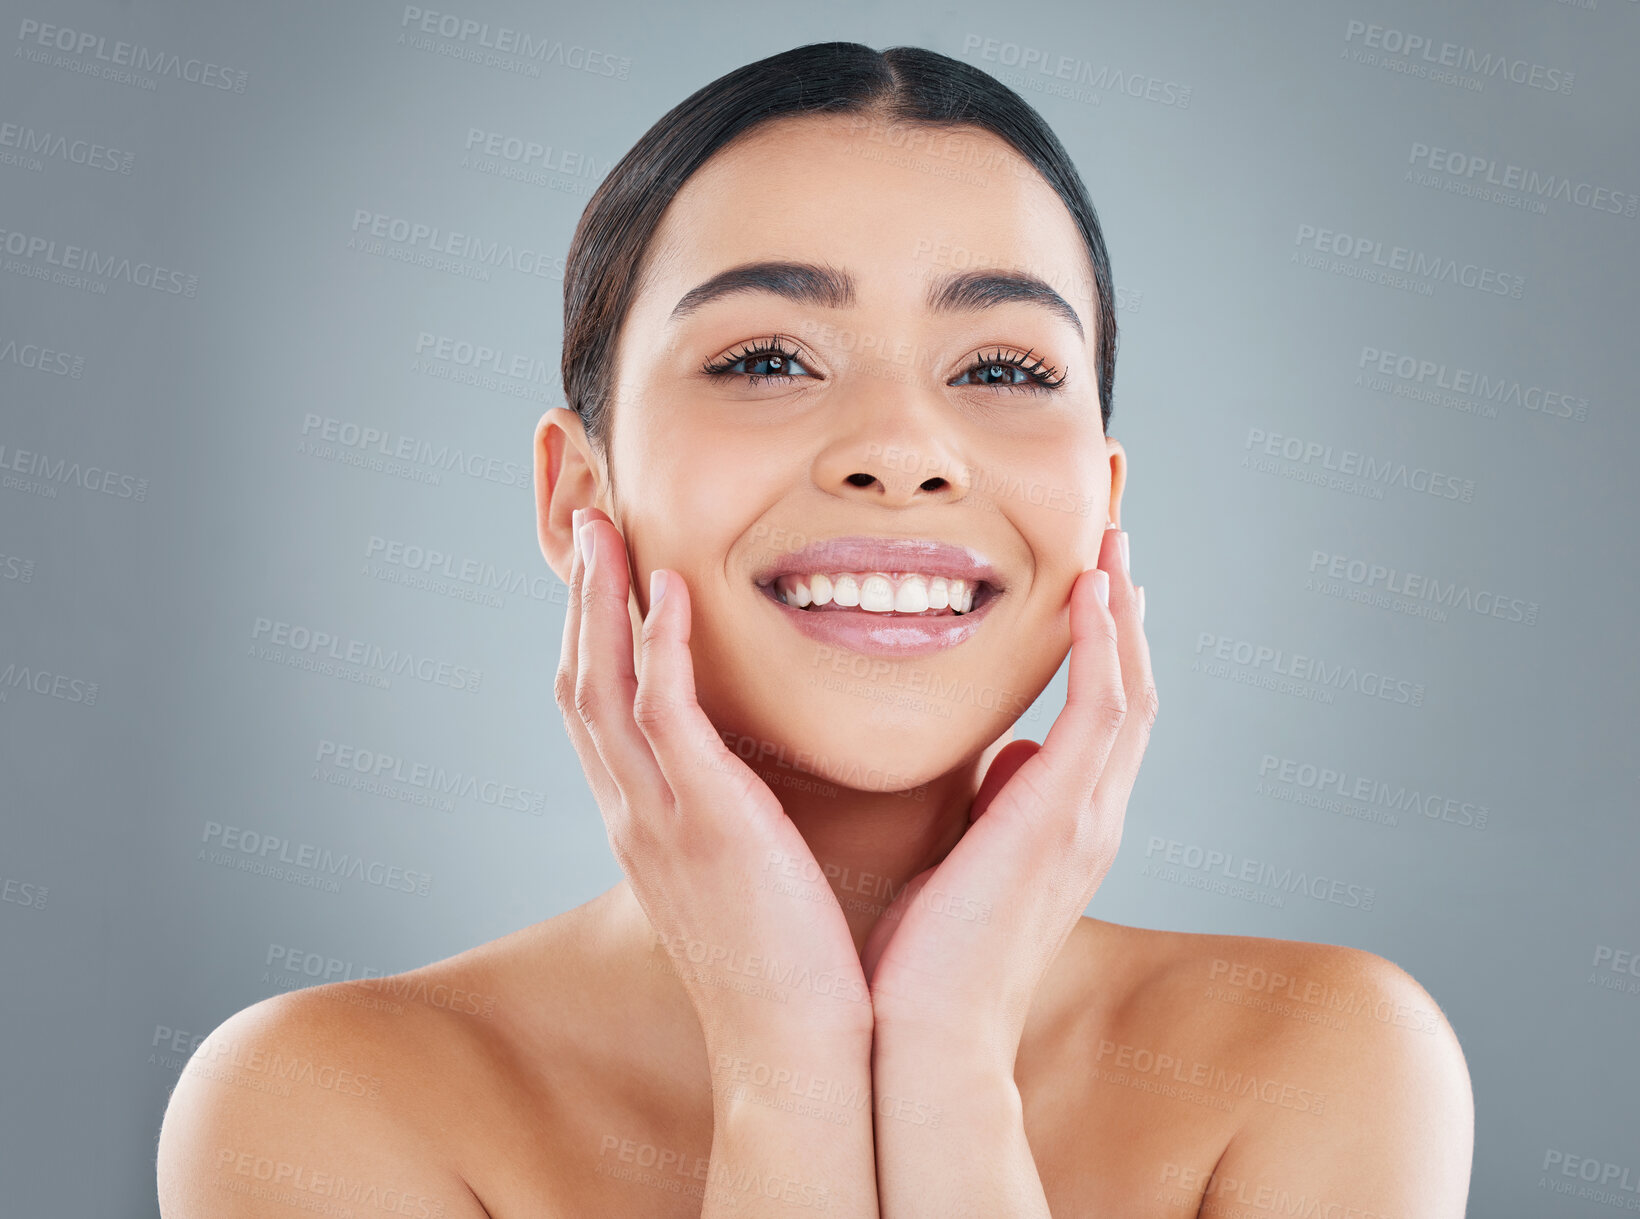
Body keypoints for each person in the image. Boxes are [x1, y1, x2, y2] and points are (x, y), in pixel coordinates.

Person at [157, 41, 1473, 1217]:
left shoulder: (1321, 1066)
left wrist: (948, 1060)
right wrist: (785, 1060)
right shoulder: (322, 1107)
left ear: (1104, 502)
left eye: (1005, 371)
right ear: (576, 495)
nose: (901, 451)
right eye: (766, 359)